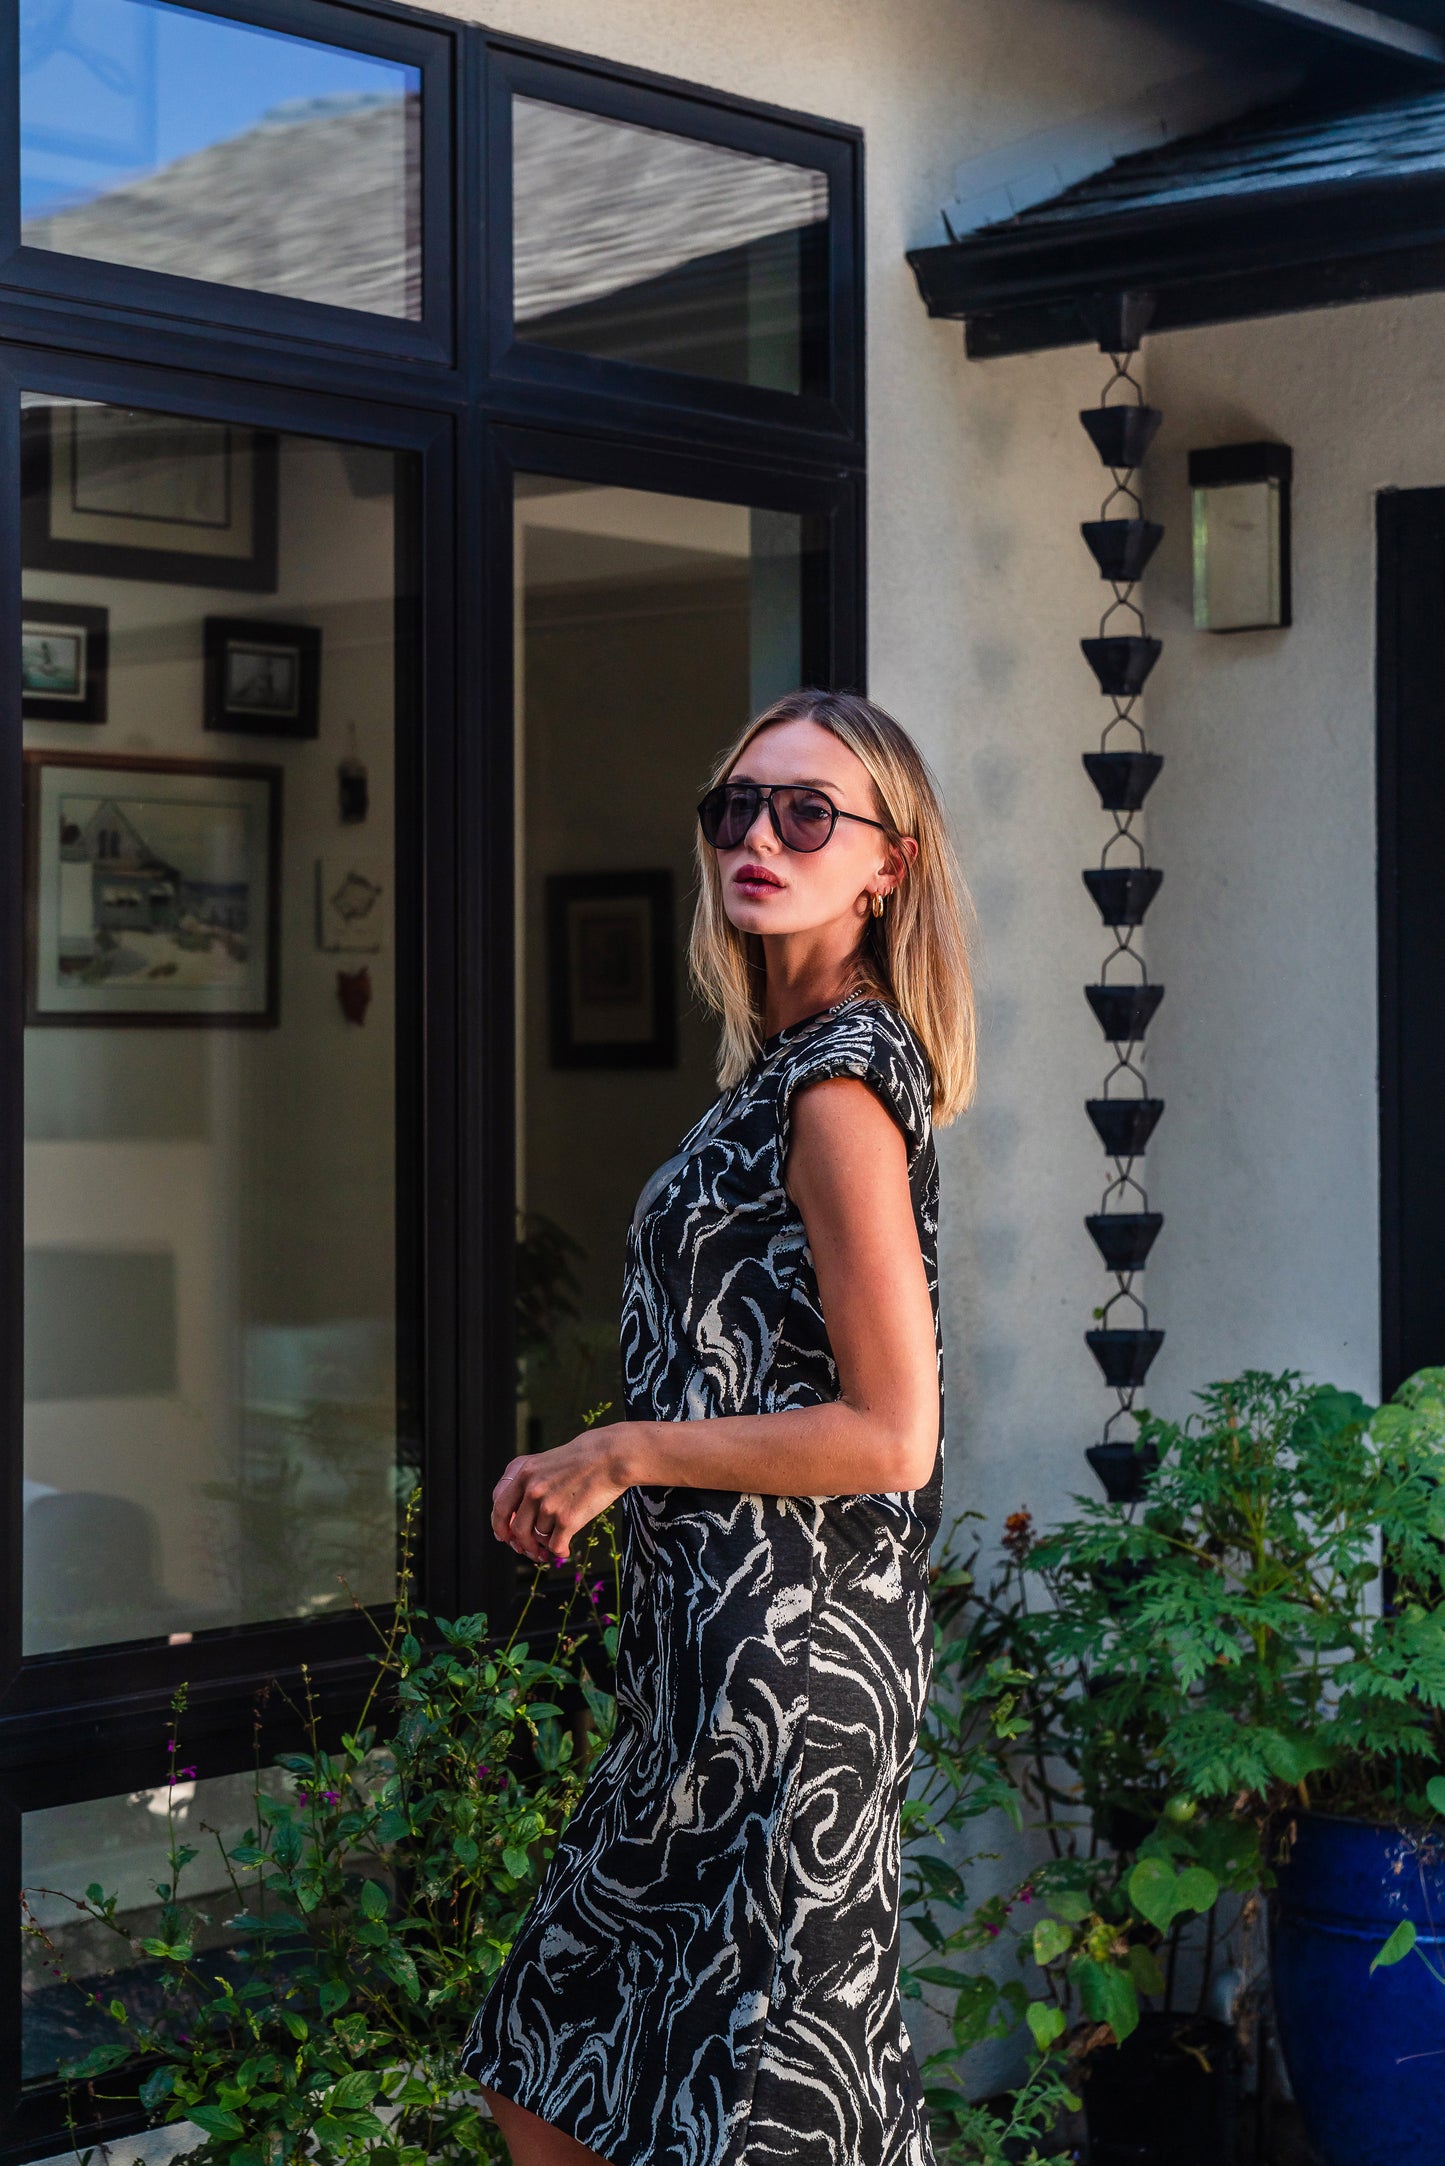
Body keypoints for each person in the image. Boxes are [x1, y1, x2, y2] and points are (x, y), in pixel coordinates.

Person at [464, 687, 978, 2166]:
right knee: (556, 2057)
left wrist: (622, 1449)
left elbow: (893, 1434)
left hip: (793, 1665)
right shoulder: (782, 1067)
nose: (758, 834)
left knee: (755, 2112)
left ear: (885, 862)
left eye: (805, 811)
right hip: (705, 1663)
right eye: (736, 807)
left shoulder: (836, 1088)